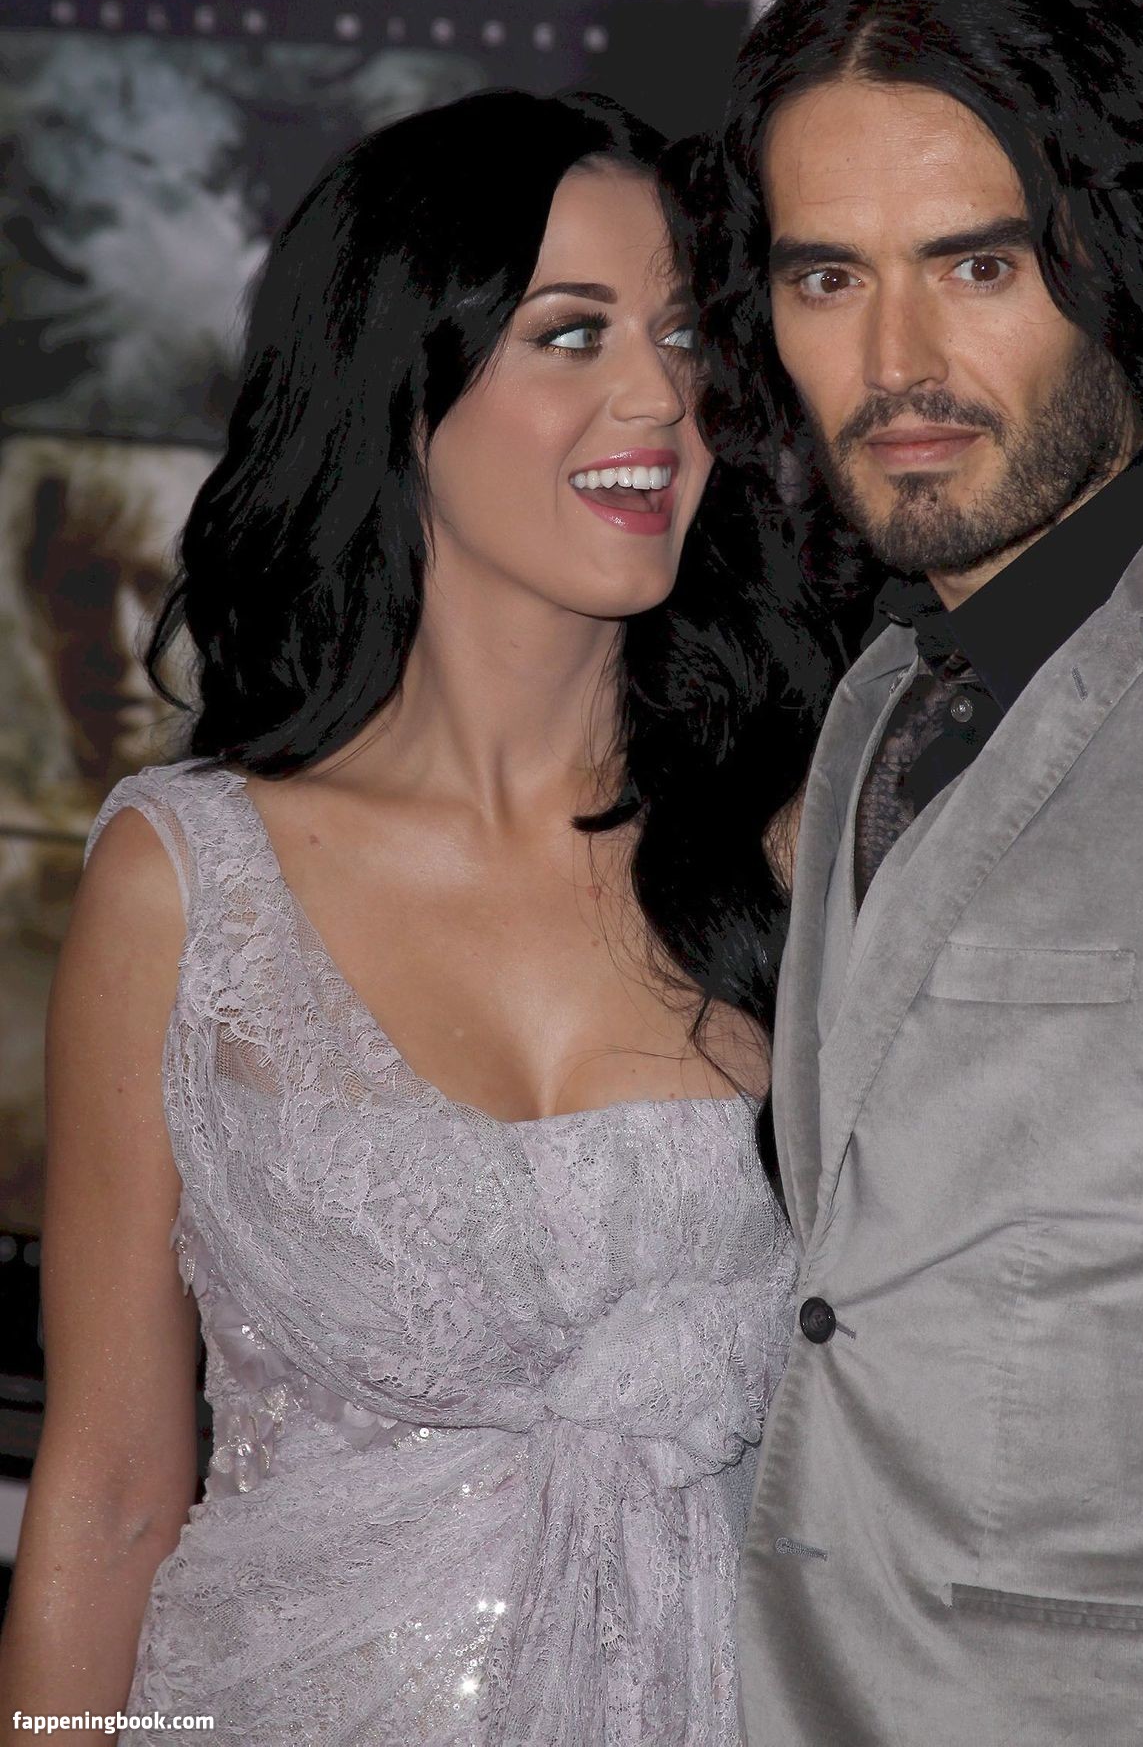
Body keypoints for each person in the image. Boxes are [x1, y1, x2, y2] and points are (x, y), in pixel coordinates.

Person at [0, 89, 843, 1742]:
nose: (659, 396)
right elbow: (105, 1500)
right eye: (572, 333)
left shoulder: (808, 852)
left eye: (682, 335)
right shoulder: (187, 880)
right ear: (402, 389)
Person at [683, 0, 1143, 1744]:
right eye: (827, 278)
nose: (897, 362)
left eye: (979, 264)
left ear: (1127, 257)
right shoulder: (890, 683)